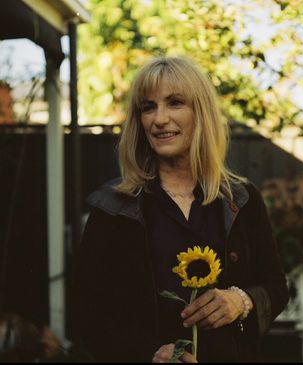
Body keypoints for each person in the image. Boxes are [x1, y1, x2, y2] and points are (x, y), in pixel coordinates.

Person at [71, 56, 289, 362]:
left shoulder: (242, 199)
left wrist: (241, 301)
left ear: (201, 113)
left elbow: (276, 286)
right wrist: (149, 354)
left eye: (175, 103)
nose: (159, 119)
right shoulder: (113, 208)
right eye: (148, 107)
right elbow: (86, 314)